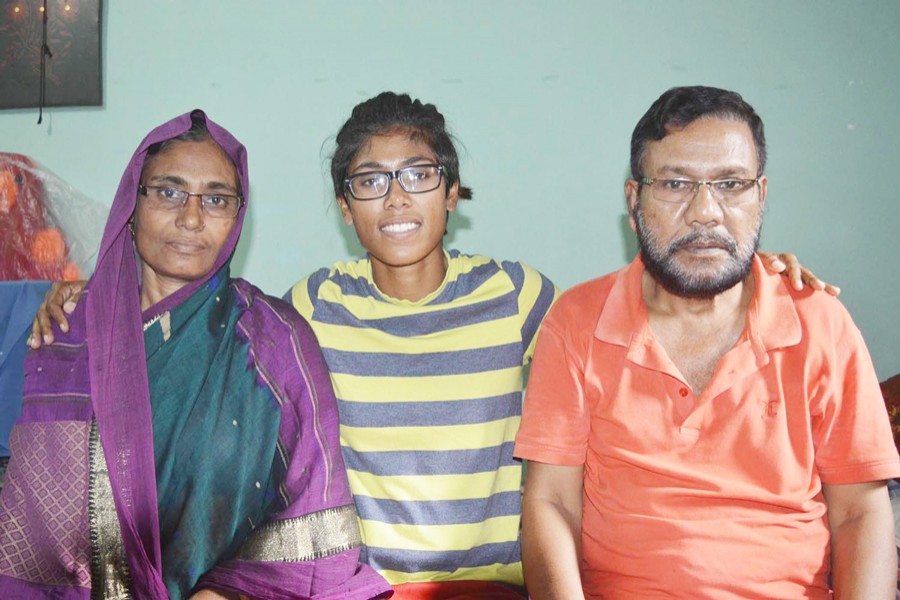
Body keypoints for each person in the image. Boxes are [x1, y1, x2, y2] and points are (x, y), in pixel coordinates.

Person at [30, 93, 835, 599]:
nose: (396, 198)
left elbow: (641, 323)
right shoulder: (311, 308)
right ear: (345, 206)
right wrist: (79, 294)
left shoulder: (522, 297)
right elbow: (207, 330)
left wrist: (750, 272)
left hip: (495, 588)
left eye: (419, 174)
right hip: (362, 588)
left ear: (453, 194)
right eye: (369, 180)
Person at [514, 86, 900, 599]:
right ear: (633, 199)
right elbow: (552, 505)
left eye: (731, 184)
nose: (705, 212)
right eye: (675, 183)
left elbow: (860, 512)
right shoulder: (577, 322)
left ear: (760, 196)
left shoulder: (821, 324)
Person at [0, 110, 390, 600]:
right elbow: (29, 525)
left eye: (216, 199)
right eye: (169, 192)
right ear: (132, 205)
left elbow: (314, 516)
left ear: (237, 216)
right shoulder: (66, 332)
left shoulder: (274, 341)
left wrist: (222, 594)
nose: (190, 217)